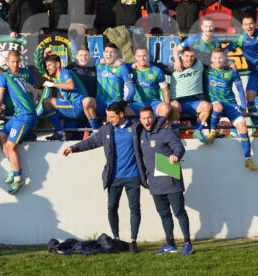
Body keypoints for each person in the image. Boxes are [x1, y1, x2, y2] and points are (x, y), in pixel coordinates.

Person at [62, 101, 144, 251]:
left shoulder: (136, 126)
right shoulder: (106, 129)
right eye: (107, 117)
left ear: (121, 114)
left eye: (112, 117)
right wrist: (73, 148)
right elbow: (91, 142)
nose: (108, 120)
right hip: (113, 177)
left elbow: (153, 122)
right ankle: (117, 240)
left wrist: (165, 124)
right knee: (112, 207)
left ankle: (133, 241)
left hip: (133, 176)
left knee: (134, 208)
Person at [135, 106, 193, 256]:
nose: (147, 121)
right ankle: (170, 244)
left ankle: (188, 243)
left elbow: (179, 147)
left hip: (170, 177)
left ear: (154, 117)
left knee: (179, 212)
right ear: (140, 120)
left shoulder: (165, 131)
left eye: (149, 117)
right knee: (164, 213)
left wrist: (176, 155)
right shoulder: (139, 133)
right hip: (154, 181)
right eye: (144, 118)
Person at [0, 50, 40, 194]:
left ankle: (18, 178)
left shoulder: (4, 77)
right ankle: (13, 167)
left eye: (17, 62)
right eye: (13, 62)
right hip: (18, 116)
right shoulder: (19, 76)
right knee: (1, 136)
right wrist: (32, 105)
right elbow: (35, 92)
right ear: (7, 62)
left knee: (10, 147)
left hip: (24, 117)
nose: (15, 65)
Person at [205, 49, 257, 171]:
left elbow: (240, 89)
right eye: (215, 58)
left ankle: (248, 159)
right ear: (211, 59)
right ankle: (213, 131)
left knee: (243, 128)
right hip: (215, 102)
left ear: (224, 59)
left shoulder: (232, 71)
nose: (218, 60)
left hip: (230, 104)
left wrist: (243, 106)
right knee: (218, 107)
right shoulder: (207, 71)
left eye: (220, 58)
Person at [40, 53, 99, 141]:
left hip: (77, 106)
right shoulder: (57, 79)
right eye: (46, 66)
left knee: (46, 103)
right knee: (66, 138)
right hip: (73, 110)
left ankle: (59, 132)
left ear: (57, 64)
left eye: (49, 65)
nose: (47, 68)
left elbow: (71, 86)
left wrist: (52, 84)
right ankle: (62, 134)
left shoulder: (64, 72)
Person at [168, 46, 212, 142]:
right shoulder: (173, 67)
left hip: (196, 102)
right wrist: (136, 64)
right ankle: (176, 132)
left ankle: (198, 131)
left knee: (207, 106)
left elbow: (216, 60)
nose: (189, 59)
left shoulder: (200, 64)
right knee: (173, 105)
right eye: (187, 56)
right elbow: (156, 66)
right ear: (182, 57)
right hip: (179, 103)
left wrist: (230, 63)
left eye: (192, 56)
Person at [125, 47, 171, 118]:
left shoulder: (157, 71)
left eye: (144, 56)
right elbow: (118, 65)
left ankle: (160, 124)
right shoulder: (131, 69)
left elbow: (165, 91)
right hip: (137, 104)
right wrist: (130, 66)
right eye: (139, 56)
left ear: (148, 56)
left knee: (166, 108)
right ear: (135, 57)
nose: (142, 58)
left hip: (154, 103)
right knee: (124, 111)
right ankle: (135, 125)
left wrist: (167, 105)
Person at [92, 42, 133, 116]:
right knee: (87, 103)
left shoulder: (122, 67)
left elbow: (132, 90)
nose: (109, 54)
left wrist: (123, 103)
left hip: (115, 104)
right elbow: (84, 59)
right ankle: (94, 124)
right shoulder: (98, 63)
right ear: (103, 53)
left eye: (112, 52)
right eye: (107, 51)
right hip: (99, 103)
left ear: (116, 54)